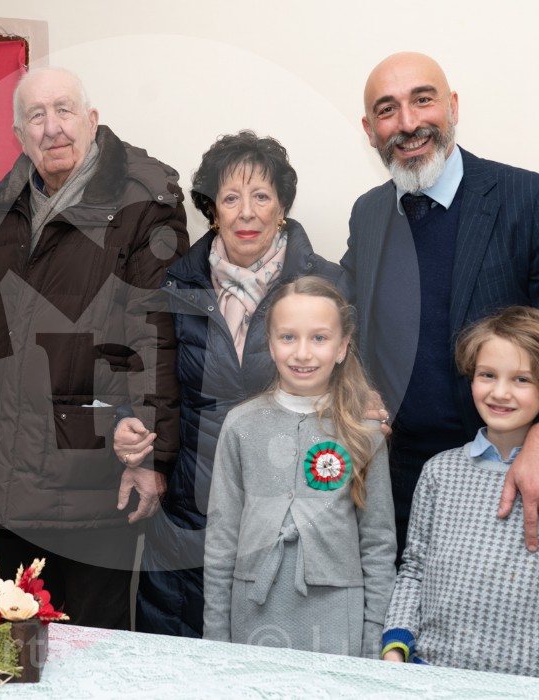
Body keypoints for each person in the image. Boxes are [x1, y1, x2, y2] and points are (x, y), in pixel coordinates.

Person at [343, 52, 539, 556]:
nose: (408, 123)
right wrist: (353, 394)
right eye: (387, 109)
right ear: (369, 130)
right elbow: (348, 328)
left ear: (453, 106)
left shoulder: (531, 199)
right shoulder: (369, 212)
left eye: (423, 100)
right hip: (389, 483)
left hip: (503, 477)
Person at [0, 67, 188, 630]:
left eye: (64, 110)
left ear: (92, 119)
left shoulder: (144, 200)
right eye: (36, 116)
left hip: (96, 471)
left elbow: (156, 334)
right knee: (12, 648)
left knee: (94, 651)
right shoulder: (5, 208)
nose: (52, 128)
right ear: (19, 135)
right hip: (10, 475)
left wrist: (151, 457)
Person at [116, 131, 349, 638]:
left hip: (289, 511)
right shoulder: (176, 285)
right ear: (211, 210)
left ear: (282, 207)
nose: (247, 212)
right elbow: (143, 378)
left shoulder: (328, 285)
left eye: (261, 196)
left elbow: (354, 385)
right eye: (230, 198)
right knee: (180, 655)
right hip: (190, 509)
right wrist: (129, 426)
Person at [382, 306, 539, 683]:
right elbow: (415, 568)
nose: (500, 392)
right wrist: (395, 646)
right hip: (427, 678)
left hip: (526, 686)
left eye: (521, 379)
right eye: (487, 375)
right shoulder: (439, 472)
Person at [202, 276, 395, 656]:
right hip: (252, 610)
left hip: (337, 617)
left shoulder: (365, 433)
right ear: (270, 344)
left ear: (342, 346)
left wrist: (374, 643)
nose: (302, 353)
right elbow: (221, 539)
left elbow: (378, 544)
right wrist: (215, 638)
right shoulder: (241, 425)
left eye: (319, 338)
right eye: (288, 337)